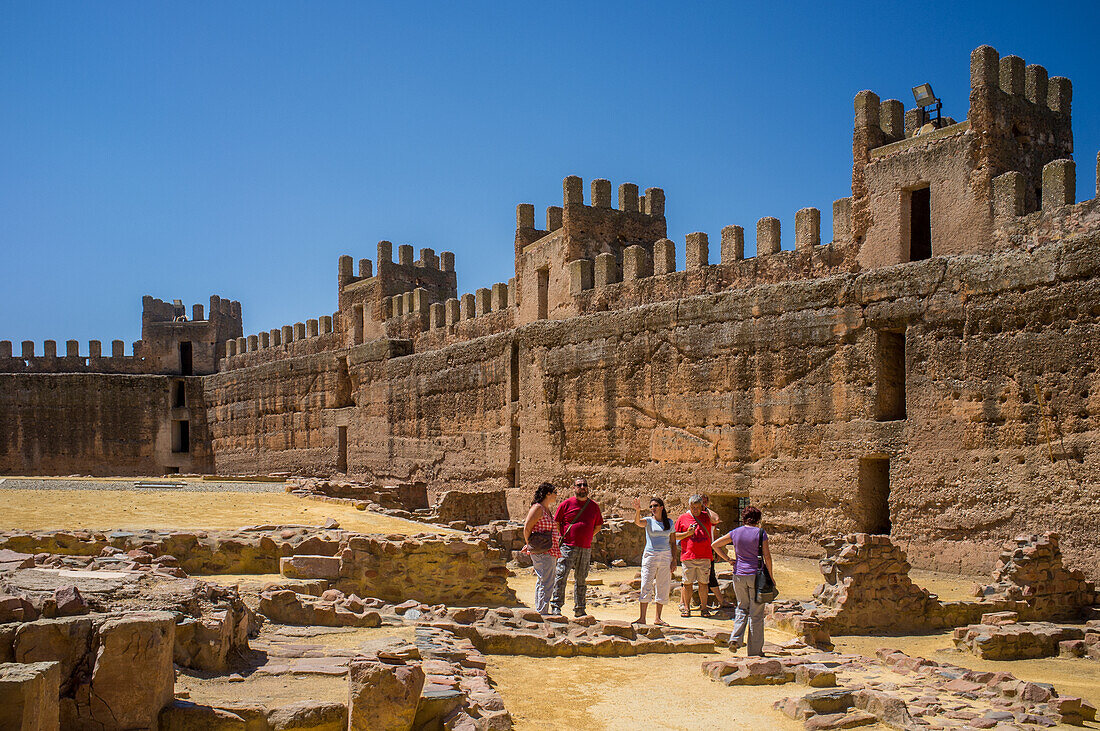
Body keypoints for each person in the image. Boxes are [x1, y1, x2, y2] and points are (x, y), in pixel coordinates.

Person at [712, 504, 773, 656]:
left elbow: (715, 545)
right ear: (757, 519)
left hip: (739, 574)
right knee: (756, 614)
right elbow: (767, 556)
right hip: (756, 575)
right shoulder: (760, 533)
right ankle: (754, 651)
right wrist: (770, 576)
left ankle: (735, 637)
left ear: (743, 518)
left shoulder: (735, 532)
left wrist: (728, 559)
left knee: (741, 607)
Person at [549, 476, 604, 617]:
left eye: (584, 485)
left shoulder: (594, 506)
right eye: (579, 485)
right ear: (574, 488)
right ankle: (556, 606)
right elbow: (557, 522)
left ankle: (580, 609)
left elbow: (598, 526)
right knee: (561, 575)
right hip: (568, 546)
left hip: (585, 547)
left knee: (581, 579)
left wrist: (588, 535)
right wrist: (564, 536)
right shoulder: (566, 504)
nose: (582, 487)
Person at [631, 496, 675, 625]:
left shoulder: (670, 523)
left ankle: (658, 618)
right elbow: (638, 523)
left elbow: (673, 542)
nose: (653, 508)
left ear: (661, 507)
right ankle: (642, 618)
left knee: (663, 584)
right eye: (651, 506)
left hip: (666, 556)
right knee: (646, 582)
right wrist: (638, 511)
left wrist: (674, 559)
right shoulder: (649, 521)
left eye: (655, 506)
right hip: (650, 555)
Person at [521, 482, 561, 615]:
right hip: (542, 550)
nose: (557, 495)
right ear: (548, 494)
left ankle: (541, 610)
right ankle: (542, 612)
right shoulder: (537, 508)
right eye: (555, 492)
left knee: (544, 579)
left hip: (549, 549)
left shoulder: (546, 509)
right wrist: (529, 544)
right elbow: (527, 527)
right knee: (546, 581)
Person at [674, 494, 713, 618]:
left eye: (697, 507)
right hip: (688, 556)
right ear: (689, 506)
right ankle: (686, 607)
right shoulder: (683, 518)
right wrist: (687, 533)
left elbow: (716, 519)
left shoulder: (706, 517)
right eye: (693, 507)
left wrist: (706, 510)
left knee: (703, 583)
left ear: (701, 506)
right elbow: (674, 535)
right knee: (687, 583)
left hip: (704, 555)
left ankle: (704, 607)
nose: (695, 510)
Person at [701, 495, 727, 609]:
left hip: (708, 550)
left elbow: (715, 527)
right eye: (702, 502)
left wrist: (717, 550)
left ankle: (720, 601)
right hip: (694, 551)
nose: (704, 504)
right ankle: (684, 604)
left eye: (706, 502)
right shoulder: (689, 515)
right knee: (688, 579)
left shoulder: (709, 516)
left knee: (711, 575)